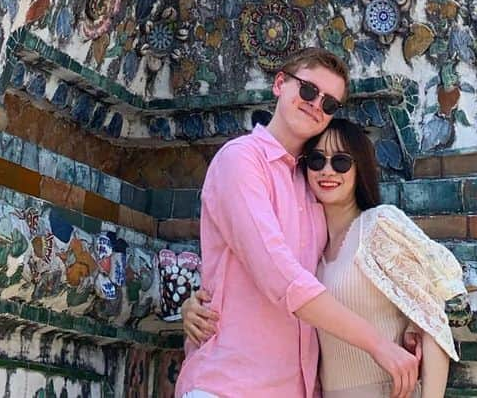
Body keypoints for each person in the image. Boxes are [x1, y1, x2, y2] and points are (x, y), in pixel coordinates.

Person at [175, 48, 421, 398]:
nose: (315, 104)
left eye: (329, 103)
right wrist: (378, 344)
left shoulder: (313, 182)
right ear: (280, 84)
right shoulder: (241, 161)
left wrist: (408, 320)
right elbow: (279, 275)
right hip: (229, 384)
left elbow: (340, 272)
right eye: (308, 90)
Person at [184, 116, 464, 398]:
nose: (327, 171)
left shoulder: (380, 225)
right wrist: (195, 304)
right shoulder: (311, 249)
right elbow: (264, 272)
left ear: (360, 169)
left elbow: (434, 325)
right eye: (317, 160)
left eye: (341, 161)